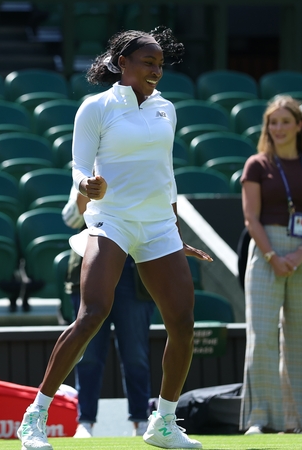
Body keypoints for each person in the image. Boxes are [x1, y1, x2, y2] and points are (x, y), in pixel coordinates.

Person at [18, 27, 212, 450]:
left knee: (182, 322)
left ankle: (162, 422)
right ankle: (35, 417)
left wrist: (176, 231)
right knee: (92, 314)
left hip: (159, 224)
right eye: (148, 62)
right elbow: (79, 167)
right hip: (112, 220)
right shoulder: (96, 108)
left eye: (160, 64)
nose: (156, 70)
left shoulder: (167, 110)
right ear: (122, 63)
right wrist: (88, 186)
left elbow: (168, 176)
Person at [239, 95, 302, 435]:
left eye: (284, 121)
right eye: (272, 122)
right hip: (265, 252)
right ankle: (260, 419)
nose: (277, 128)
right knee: (262, 336)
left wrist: (300, 254)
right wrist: (273, 257)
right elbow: (251, 217)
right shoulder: (257, 164)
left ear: (298, 125)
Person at [61, 186, 154, 438]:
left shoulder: (137, 173)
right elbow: (71, 218)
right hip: (92, 268)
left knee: (136, 354)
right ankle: (86, 421)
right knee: (88, 353)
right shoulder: (85, 175)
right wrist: (86, 186)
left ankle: (141, 420)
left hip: (133, 273)